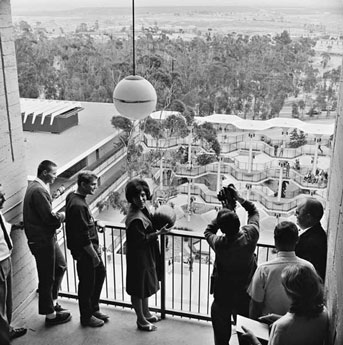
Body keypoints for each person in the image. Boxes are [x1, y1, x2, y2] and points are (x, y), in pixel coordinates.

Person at [204, 185, 259, 345]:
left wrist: (225, 210)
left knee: (221, 339)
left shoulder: (220, 243)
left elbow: (208, 231)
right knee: (246, 337)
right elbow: (254, 211)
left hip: (222, 296)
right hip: (244, 295)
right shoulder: (250, 236)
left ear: (222, 228)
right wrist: (239, 198)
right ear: (239, 223)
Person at [23, 160, 71, 326]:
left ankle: (53, 302)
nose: (55, 176)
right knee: (46, 277)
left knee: (60, 266)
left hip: (45, 239)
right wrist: (63, 216)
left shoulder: (37, 188)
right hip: (42, 241)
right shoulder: (38, 191)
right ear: (44, 172)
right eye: (53, 173)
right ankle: (50, 316)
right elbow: (50, 219)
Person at [125, 179, 171, 332]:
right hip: (138, 257)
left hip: (146, 255)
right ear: (131, 198)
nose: (141, 199)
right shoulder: (135, 218)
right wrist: (158, 233)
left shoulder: (142, 209)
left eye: (143, 195)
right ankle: (140, 319)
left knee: (144, 285)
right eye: (137, 197)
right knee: (138, 288)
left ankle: (146, 312)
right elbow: (140, 240)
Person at [241, 265, 328, 345]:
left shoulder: (281, 327)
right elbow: (302, 324)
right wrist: (281, 318)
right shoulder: (323, 313)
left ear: (290, 293)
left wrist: (253, 338)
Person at [65, 171, 108, 327]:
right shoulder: (78, 205)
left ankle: (93, 309)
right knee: (87, 284)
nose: (95, 188)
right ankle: (86, 317)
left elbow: (83, 222)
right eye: (92, 185)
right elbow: (82, 236)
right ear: (82, 184)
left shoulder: (74, 197)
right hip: (86, 253)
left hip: (90, 249)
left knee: (100, 275)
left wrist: (94, 223)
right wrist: (94, 256)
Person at [248, 221, 315, 320]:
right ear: (297, 240)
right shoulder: (309, 267)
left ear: (275, 240)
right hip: (299, 326)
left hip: (268, 326)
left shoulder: (264, 270)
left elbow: (256, 305)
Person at [0, 185, 27, 341]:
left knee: (7, 299)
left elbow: (3, 228)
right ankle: (4, 338)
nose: (4, 199)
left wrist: (16, 226)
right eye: (0, 197)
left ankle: (7, 329)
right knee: (0, 304)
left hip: (6, 258)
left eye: (3, 195)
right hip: (0, 262)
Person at [295, 197, 327, 280]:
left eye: (297, 213)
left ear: (308, 217)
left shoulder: (311, 243)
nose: (295, 215)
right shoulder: (316, 234)